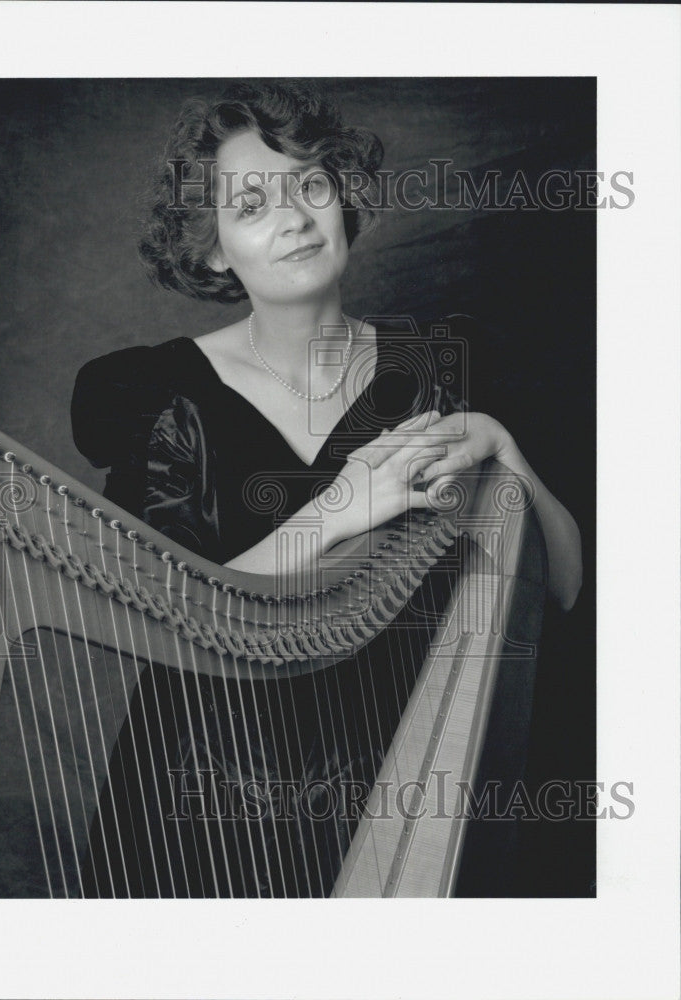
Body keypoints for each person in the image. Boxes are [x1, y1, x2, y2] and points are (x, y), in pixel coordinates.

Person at [71, 81, 582, 897]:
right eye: (252, 205)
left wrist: (504, 447)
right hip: (209, 781)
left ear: (342, 200)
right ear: (211, 249)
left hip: (392, 760)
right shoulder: (158, 393)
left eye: (310, 185)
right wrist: (340, 508)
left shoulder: (439, 367)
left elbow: (558, 587)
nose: (295, 218)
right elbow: (168, 608)